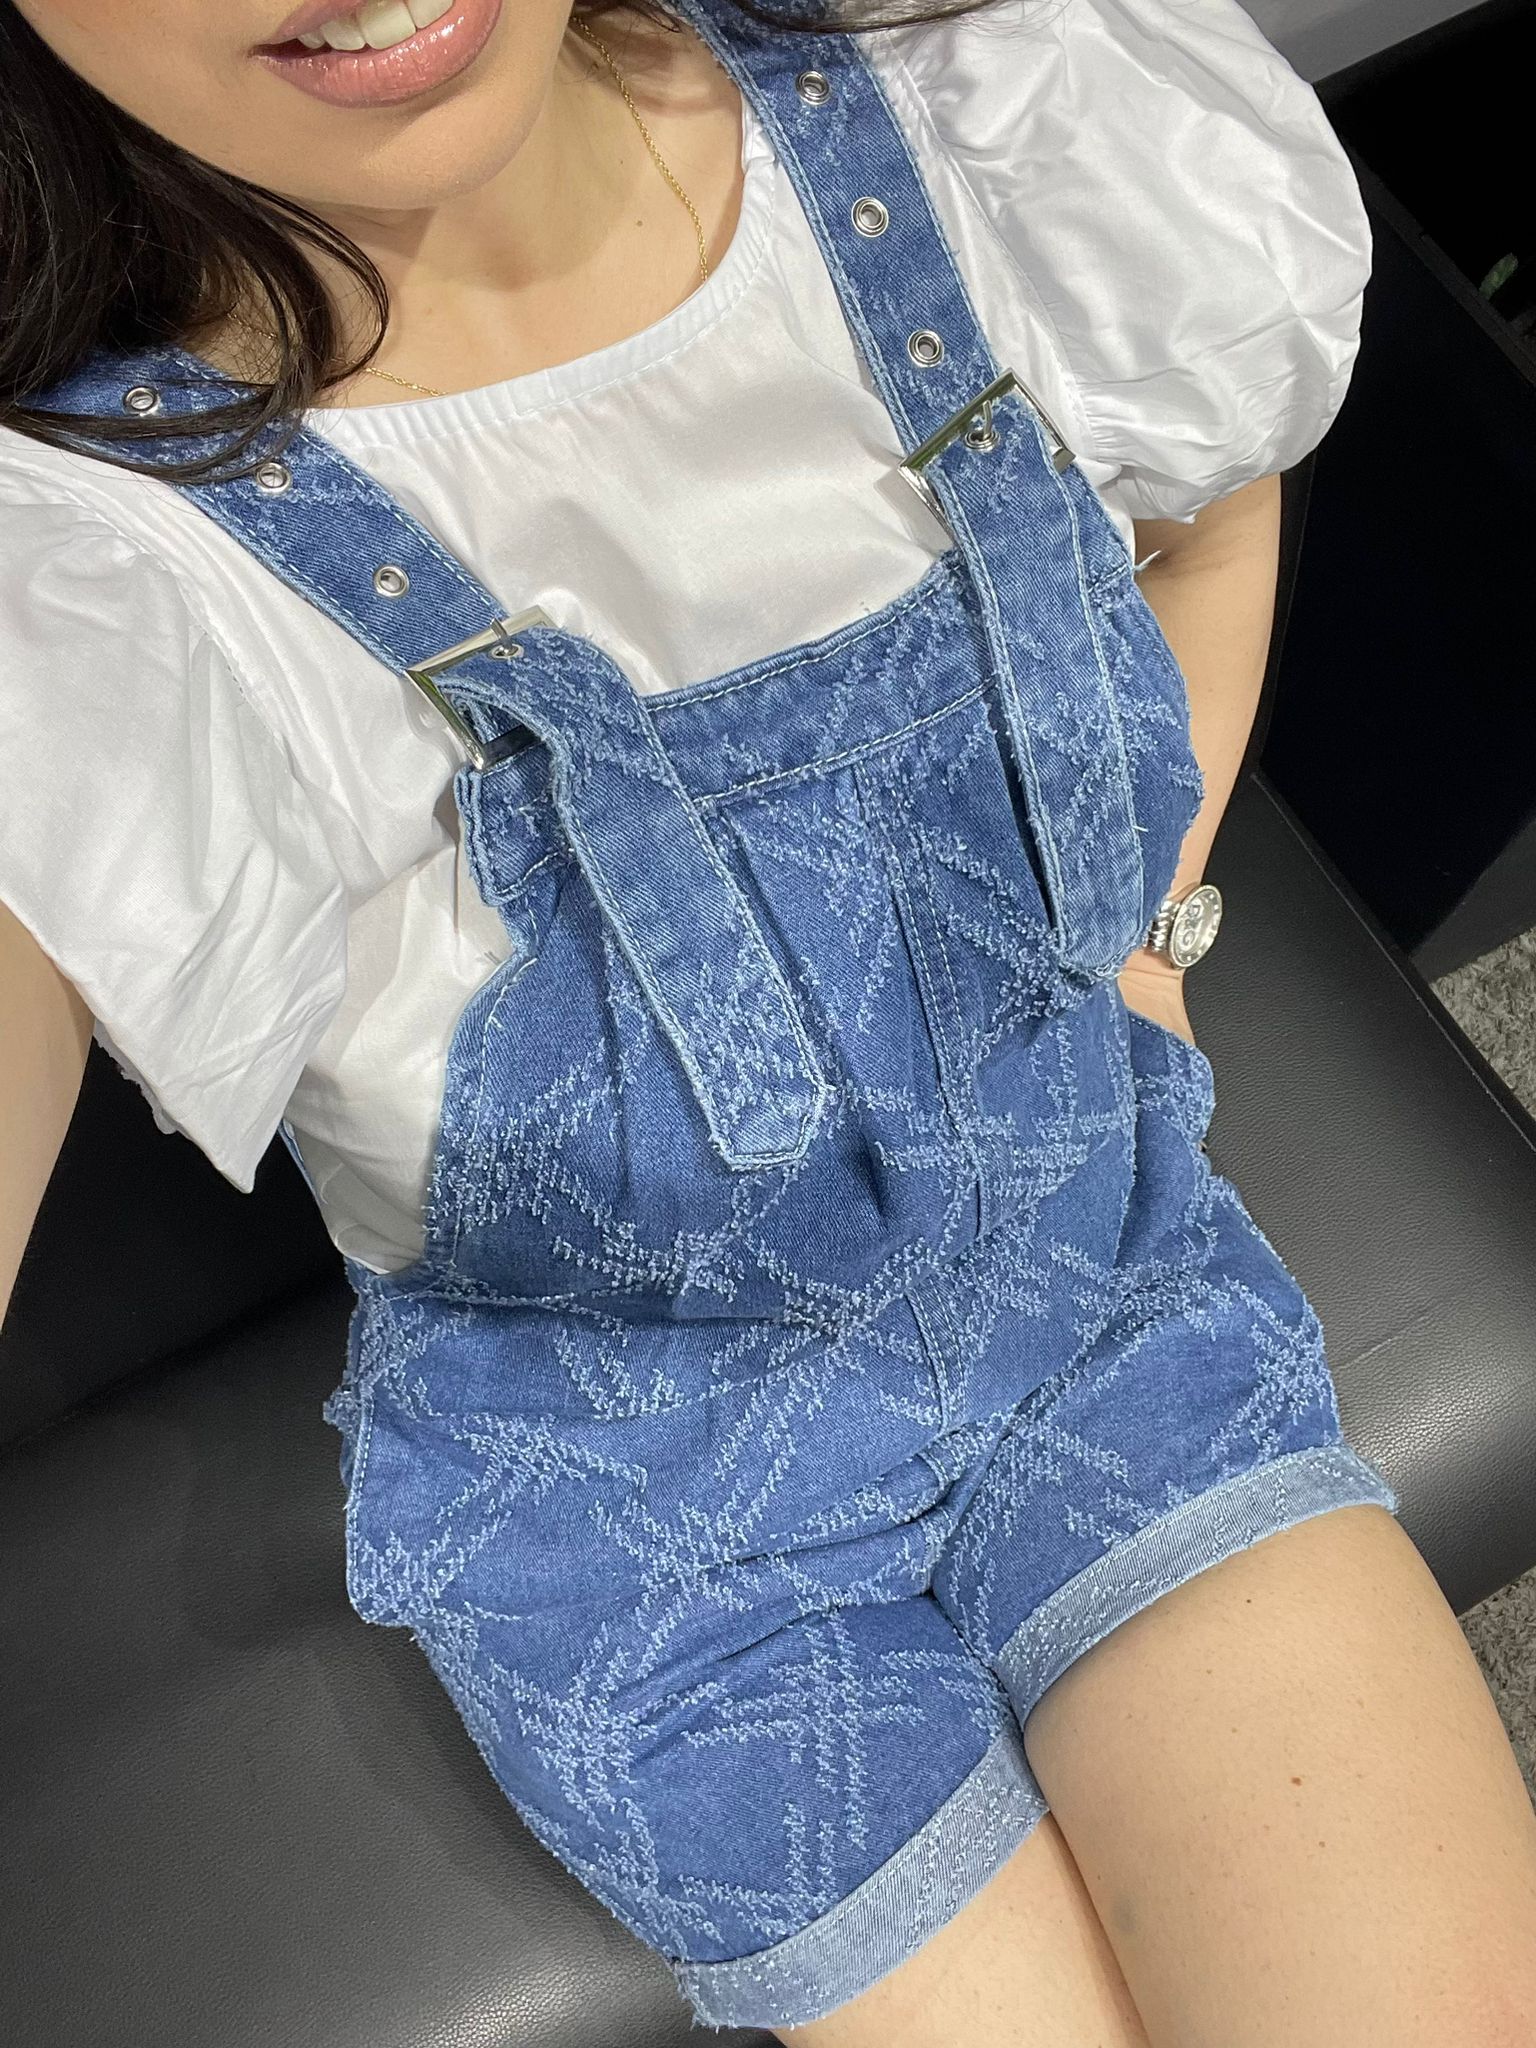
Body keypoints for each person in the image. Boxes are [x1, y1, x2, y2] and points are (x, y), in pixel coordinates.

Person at [2, 0, 1535, 2039]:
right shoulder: (84, 571)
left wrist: (1140, 930)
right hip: (640, 1510)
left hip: (1097, 1288)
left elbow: (1208, 497)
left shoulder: (1000, 118)